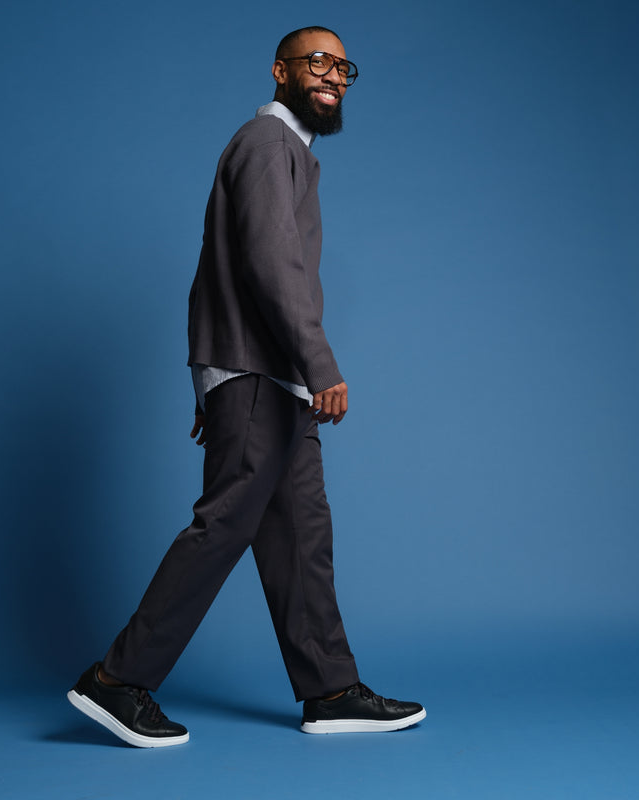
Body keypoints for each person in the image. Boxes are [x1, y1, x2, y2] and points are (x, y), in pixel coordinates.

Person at [67, 25, 426, 747]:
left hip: (268, 380)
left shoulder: (289, 151)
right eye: (317, 62)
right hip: (269, 374)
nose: (333, 75)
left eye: (343, 68)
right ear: (280, 71)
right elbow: (270, 265)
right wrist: (315, 366)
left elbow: (215, 270)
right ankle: (115, 680)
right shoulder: (268, 145)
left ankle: (328, 689)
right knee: (224, 525)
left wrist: (211, 380)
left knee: (301, 534)